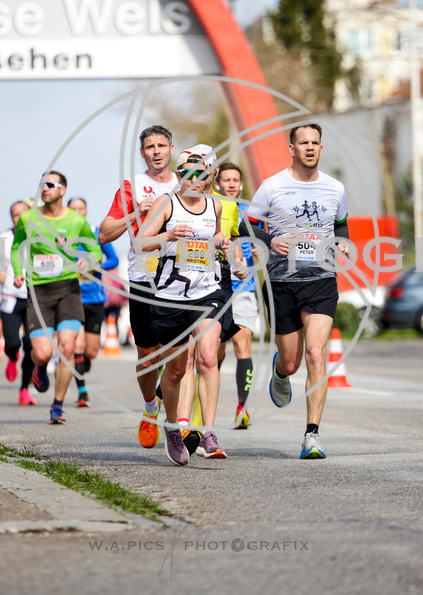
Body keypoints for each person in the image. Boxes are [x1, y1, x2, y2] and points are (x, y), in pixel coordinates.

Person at [242, 123, 349, 460]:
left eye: (315, 142)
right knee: (291, 362)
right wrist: (269, 240)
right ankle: (279, 370)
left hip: (321, 281)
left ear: (321, 147)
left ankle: (312, 436)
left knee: (316, 355)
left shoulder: (335, 188)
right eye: (303, 142)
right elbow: (248, 224)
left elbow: (341, 224)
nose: (310, 148)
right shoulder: (272, 186)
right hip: (280, 284)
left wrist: (343, 241)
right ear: (291, 148)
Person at [139, 146, 230, 465]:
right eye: (188, 173)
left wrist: (223, 243)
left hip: (207, 292)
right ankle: (172, 428)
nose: (195, 179)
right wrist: (167, 235)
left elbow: (216, 235)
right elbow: (141, 243)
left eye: (201, 174)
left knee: (207, 356)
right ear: (179, 177)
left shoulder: (215, 206)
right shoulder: (167, 204)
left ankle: (208, 431)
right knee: (176, 368)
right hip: (171, 296)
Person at [98, 125, 179, 449]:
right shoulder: (134, 186)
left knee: (178, 357)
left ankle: (179, 422)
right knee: (147, 357)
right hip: (144, 278)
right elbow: (104, 233)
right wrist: (136, 212)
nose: (156, 151)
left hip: (182, 282)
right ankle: (149, 408)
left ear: (171, 149)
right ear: (142, 152)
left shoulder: (185, 184)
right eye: (150, 146)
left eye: (162, 145)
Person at [12, 171, 102, 424]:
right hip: (39, 291)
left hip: (68, 290)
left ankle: (57, 404)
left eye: (50, 184)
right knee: (41, 353)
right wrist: (19, 272)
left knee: (68, 346)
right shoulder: (29, 218)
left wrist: (89, 259)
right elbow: (18, 246)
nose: (45, 188)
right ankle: (40, 368)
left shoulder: (75, 220)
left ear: (62, 190)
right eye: (42, 184)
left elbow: (95, 247)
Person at [214, 162, 258, 429]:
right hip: (215, 288)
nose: (231, 183)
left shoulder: (251, 213)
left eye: (235, 180)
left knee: (243, 346)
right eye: (226, 179)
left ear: (240, 184)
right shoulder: (211, 207)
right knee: (214, 353)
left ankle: (243, 407)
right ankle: (202, 401)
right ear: (218, 184)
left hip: (244, 288)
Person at [66, 196, 120, 407]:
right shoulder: (62, 234)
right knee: (76, 345)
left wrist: (96, 267)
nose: (78, 211)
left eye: (81, 208)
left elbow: (113, 259)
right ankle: (82, 391)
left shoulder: (97, 232)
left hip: (95, 298)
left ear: (86, 211)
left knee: (90, 351)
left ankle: (83, 364)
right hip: (71, 296)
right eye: (74, 208)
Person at [0, 200, 37, 405]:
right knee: (13, 343)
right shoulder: (3, 239)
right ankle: (12, 357)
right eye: (15, 214)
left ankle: (24, 389)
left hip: (33, 299)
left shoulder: (39, 237)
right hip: (9, 297)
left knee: (31, 345)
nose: (18, 218)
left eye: (22, 214)